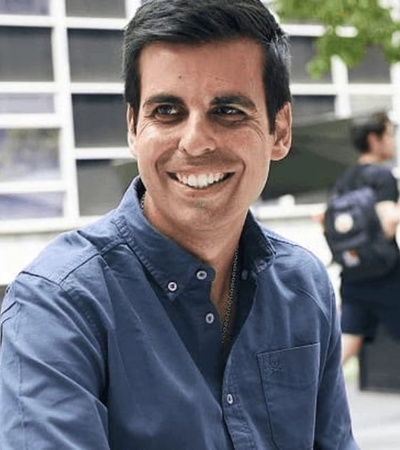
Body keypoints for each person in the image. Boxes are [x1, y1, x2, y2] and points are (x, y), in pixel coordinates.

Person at [0, 1, 358, 448]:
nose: (195, 142)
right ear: (133, 127)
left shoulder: (304, 286)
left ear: (279, 131)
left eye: (228, 110)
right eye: (167, 111)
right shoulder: (59, 304)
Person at [332, 112, 400, 365]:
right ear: (374, 139)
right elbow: (388, 224)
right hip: (386, 275)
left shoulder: (345, 177)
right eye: (390, 135)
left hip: (353, 274)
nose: (393, 141)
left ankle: (311, 394)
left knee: (349, 339)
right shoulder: (382, 177)